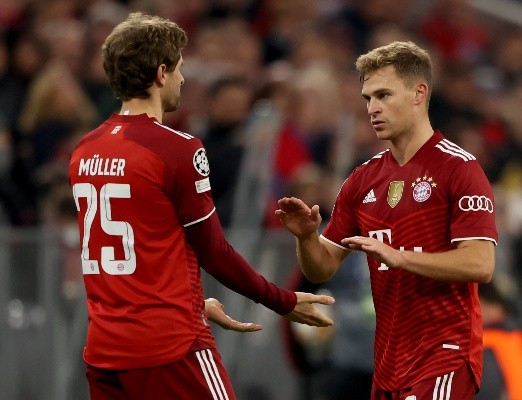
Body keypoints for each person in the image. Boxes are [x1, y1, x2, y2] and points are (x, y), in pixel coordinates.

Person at [68, 12, 334, 400]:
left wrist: (192, 299)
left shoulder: (84, 150)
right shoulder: (177, 148)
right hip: (171, 346)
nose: (183, 79)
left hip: (107, 352)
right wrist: (282, 300)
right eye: (179, 68)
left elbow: (137, 247)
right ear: (161, 73)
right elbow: (214, 251)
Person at [276, 40, 498, 399]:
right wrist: (306, 238)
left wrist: (400, 257)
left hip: (444, 355)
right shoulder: (362, 180)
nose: (372, 109)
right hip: (387, 362)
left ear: (418, 93)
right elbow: (322, 269)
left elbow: (481, 262)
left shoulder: (459, 168)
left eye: (383, 95)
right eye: (367, 98)